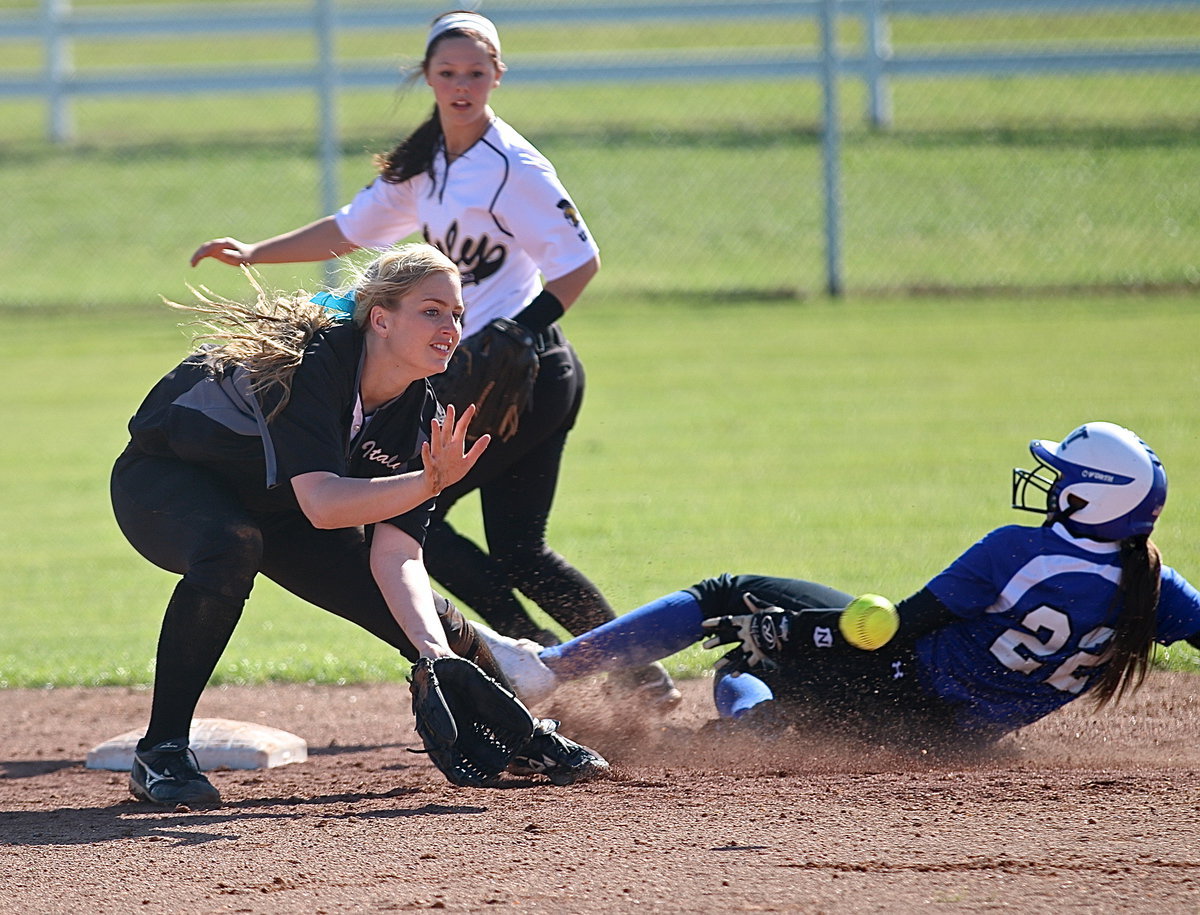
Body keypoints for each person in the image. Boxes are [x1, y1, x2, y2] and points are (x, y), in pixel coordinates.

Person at [188, 9, 680, 710]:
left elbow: (579, 262)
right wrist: (255, 252)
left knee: (423, 520)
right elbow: (349, 230)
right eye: (447, 73)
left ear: (497, 76)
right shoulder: (427, 163)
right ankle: (616, 671)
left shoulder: (514, 167)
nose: (461, 85)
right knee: (514, 548)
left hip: (522, 374)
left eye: (475, 72)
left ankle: (540, 661)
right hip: (476, 374)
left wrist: (522, 328)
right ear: (428, 78)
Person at [110, 243, 609, 807]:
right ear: (380, 319)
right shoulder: (317, 363)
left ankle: (514, 732)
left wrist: (431, 652)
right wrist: (429, 484)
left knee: (429, 619)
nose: (452, 326)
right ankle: (162, 753)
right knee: (231, 546)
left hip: (281, 507)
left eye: (457, 314)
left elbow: (397, 556)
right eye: (431, 310)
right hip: (166, 481)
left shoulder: (421, 409)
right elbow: (323, 504)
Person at [479, 422, 1200, 752]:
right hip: (956, 739)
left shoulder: (1021, 551)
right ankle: (763, 722)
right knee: (766, 652)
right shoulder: (1156, 588)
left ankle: (544, 670)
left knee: (732, 608)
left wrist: (789, 631)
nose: (1047, 482)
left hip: (892, 685)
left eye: (1061, 476)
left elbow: (897, 627)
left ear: (1088, 499)